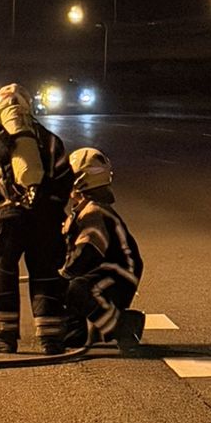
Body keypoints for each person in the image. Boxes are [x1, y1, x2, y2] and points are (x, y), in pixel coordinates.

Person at [0, 82, 74, 353]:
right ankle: (51, 339)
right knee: (46, 274)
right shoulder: (49, 140)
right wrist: (50, 207)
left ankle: (3, 337)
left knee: (1, 273)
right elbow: (64, 179)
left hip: (6, 219)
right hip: (45, 219)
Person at [59, 146, 145, 352]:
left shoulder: (94, 213)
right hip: (106, 273)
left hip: (119, 275)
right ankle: (76, 332)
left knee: (77, 287)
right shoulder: (84, 210)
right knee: (72, 288)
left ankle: (123, 327)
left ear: (79, 181)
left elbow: (86, 252)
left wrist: (63, 274)